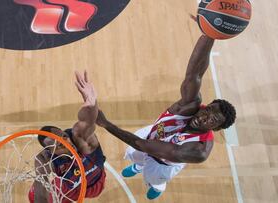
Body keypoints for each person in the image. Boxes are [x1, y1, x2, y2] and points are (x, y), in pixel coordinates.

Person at [95, 35, 236, 200]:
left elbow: (142, 144)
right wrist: (209, 34)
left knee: (153, 180)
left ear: (216, 128)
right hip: (152, 136)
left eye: (212, 120)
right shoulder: (190, 105)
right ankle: (139, 165)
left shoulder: (199, 150)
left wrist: (106, 124)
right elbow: (194, 74)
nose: (204, 117)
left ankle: (158, 186)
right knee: (135, 155)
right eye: (208, 110)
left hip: (162, 164)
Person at [29, 71, 106, 203]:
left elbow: (88, 121)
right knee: (34, 196)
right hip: (71, 189)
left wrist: (91, 103)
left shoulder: (80, 138)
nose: (66, 142)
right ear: (51, 152)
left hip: (95, 182)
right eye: (59, 145)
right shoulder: (46, 159)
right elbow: (41, 191)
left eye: (64, 136)